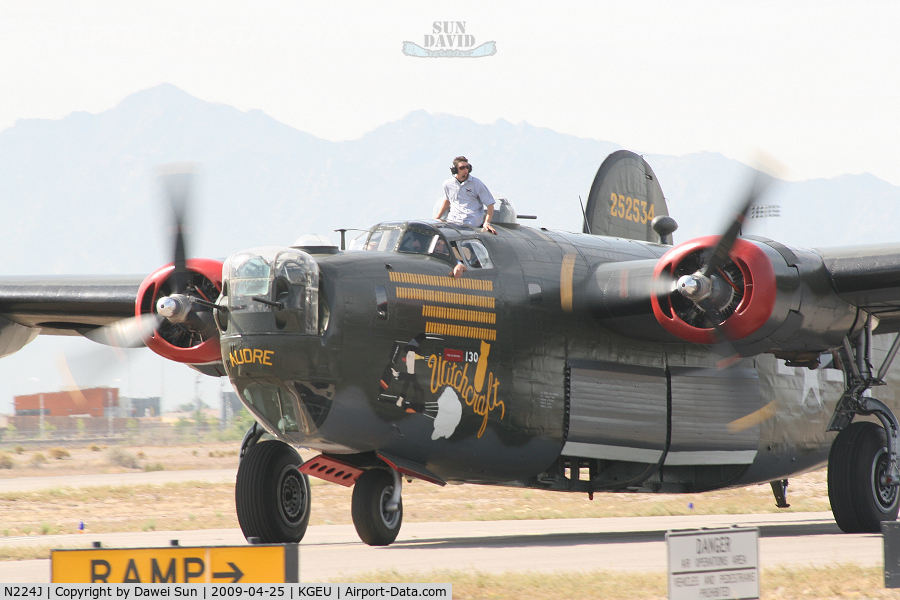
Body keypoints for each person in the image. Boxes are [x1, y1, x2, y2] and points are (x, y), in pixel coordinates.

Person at [435, 156, 497, 235]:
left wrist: (486, 223)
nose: (465, 170)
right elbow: (447, 201)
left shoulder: (477, 184)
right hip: (453, 222)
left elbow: (490, 204)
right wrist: (437, 218)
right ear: (455, 170)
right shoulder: (448, 184)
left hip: (471, 224)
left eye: (467, 167)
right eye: (462, 168)